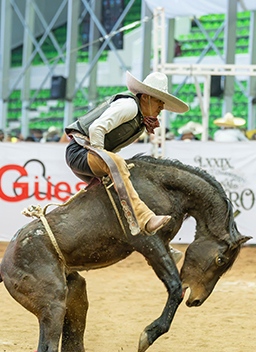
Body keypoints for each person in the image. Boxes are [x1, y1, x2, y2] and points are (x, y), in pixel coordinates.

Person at [64, 71, 189, 236]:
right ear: (146, 97)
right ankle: (145, 218)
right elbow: (96, 128)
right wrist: (103, 156)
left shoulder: (139, 120)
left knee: (124, 183)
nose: (161, 107)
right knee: (118, 164)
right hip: (80, 151)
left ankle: (156, 241)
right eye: (159, 101)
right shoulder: (129, 106)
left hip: (83, 152)